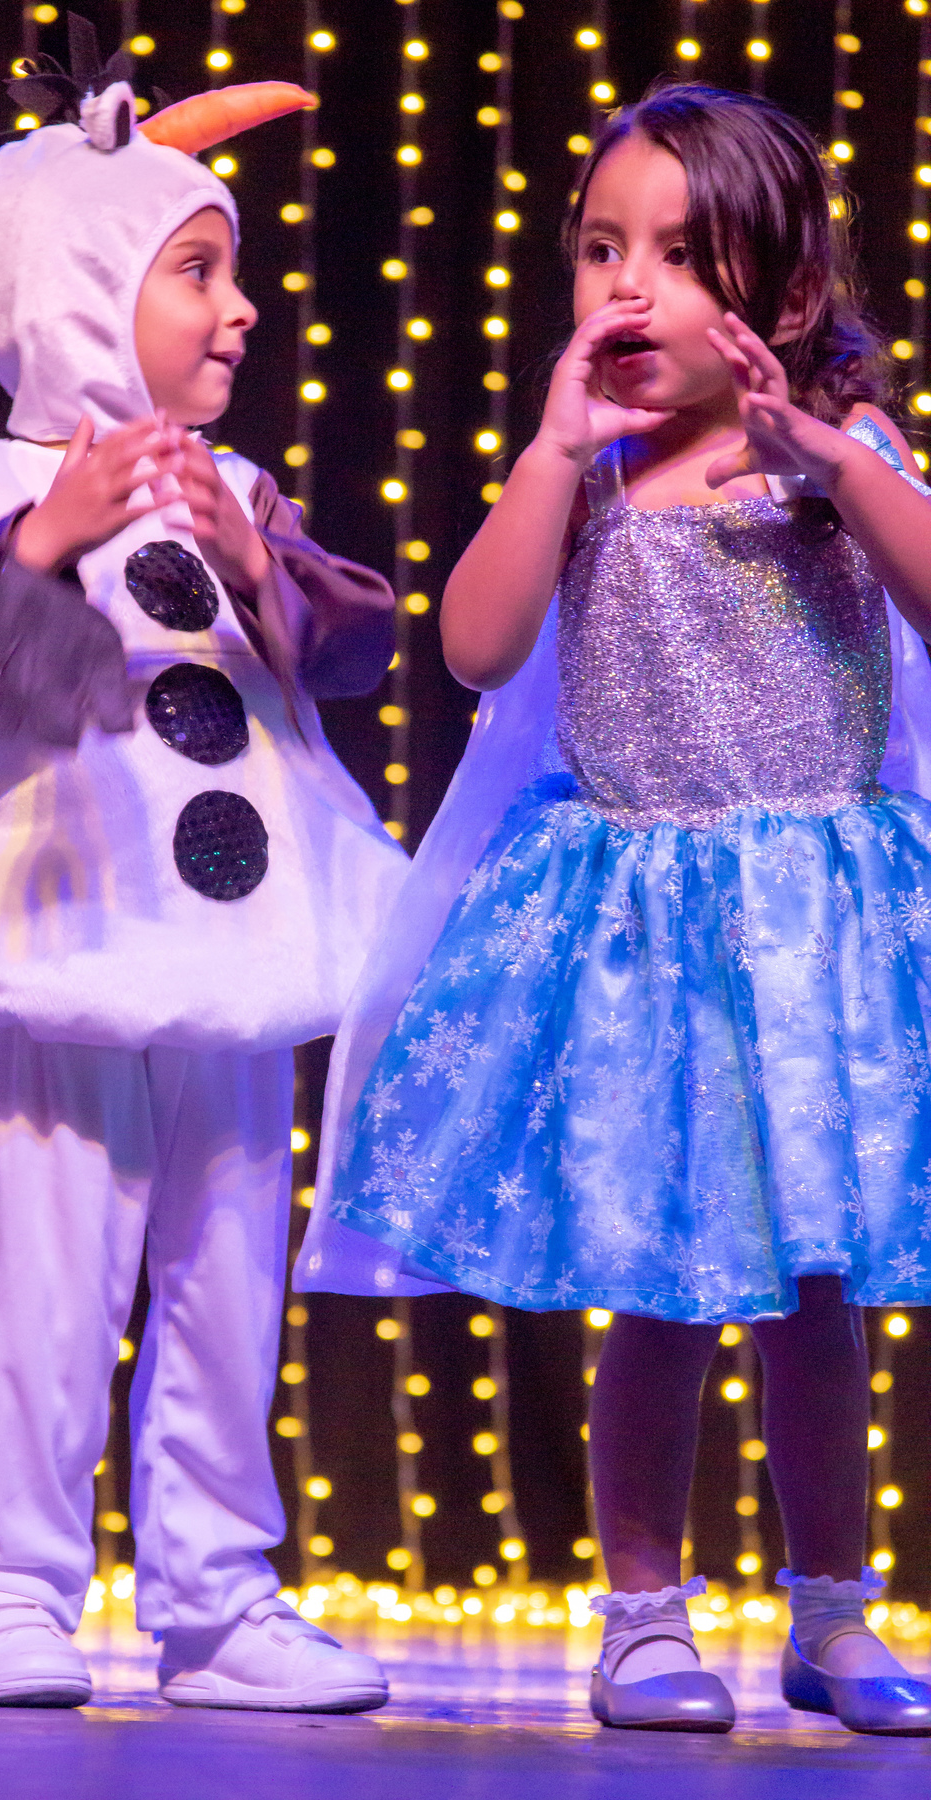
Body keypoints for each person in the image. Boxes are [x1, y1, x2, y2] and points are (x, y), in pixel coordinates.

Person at [296, 81, 931, 1736]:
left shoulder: (846, 455)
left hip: (815, 937)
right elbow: (475, 645)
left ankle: (834, 1613)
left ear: (788, 296)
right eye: (599, 249)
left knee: (815, 1300)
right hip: (649, 942)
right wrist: (551, 455)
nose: (627, 286)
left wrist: (833, 462)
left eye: (681, 254)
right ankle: (643, 1615)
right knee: (657, 1291)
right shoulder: (594, 477)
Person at [0, 31, 406, 1714]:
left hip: (238, 941)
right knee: (43, 1272)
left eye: (234, 273)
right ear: (78, 288)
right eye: (196, 272)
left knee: (227, 1274)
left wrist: (252, 559)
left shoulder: (237, 487)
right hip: (68, 924)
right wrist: (44, 542)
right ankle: (0, 1587)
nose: (240, 309)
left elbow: (359, 648)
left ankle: (218, 1599)